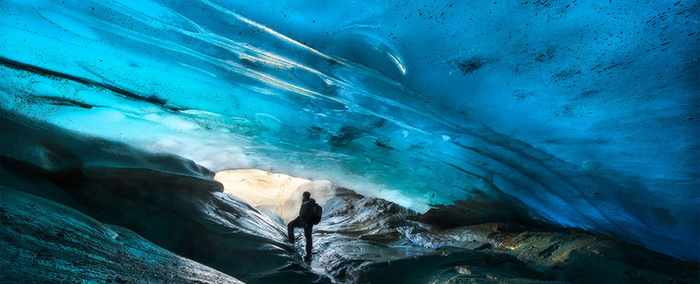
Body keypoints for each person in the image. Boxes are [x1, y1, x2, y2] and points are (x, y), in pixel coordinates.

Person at [287, 191, 316, 261]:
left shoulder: (311, 204)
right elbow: (301, 214)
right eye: (304, 196)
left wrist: (306, 222)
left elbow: (310, 214)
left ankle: (308, 255)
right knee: (290, 225)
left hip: (307, 222)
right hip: (302, 220)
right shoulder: (305, 203)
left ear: (307, 196)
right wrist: (296, 219)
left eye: (304, 196)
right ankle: (291, 241)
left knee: (308, 237)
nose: (303, 197)